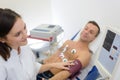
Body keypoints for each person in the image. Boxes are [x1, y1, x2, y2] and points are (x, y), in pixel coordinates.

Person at [0, 8, 74, 80]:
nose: (26, 35)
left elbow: (33, 68)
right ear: (2, 39)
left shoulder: (24, 47)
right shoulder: (2, 63)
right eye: (18, 34)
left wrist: (54, 65)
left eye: (24, 27)